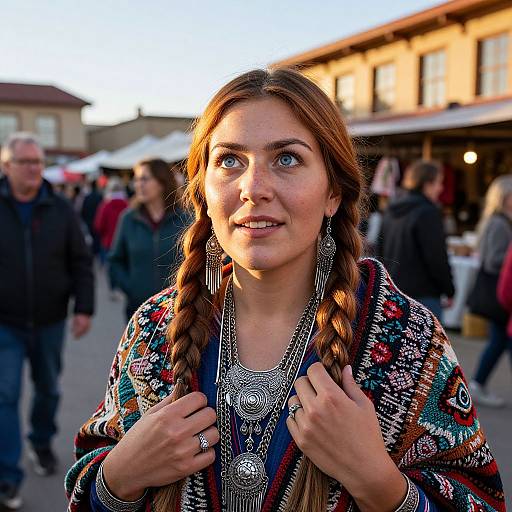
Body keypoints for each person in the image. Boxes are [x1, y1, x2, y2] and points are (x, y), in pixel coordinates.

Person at [65, 70, 504, 512]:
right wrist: (117, 477)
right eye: (230, 161)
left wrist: (379, 482)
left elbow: (480, 500)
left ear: (333, 191)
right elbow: (89, 480)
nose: (254, 189)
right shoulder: (154, 329)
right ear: (203, 190)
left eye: (288, 159)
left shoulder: (407, 337)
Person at [0, 132, 94, 510]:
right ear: (7, 166)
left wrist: (84, 307)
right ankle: (8, 474)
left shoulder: (59, 208)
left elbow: (81, 261)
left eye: (39, 162)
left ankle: (40, 442)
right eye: (26, 162)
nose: (35, 169)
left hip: (51, 320)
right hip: (5, 322)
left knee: (48, 389)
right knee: (4, 395)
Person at [108, 158, 191, 320]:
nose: (138, 184)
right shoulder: (128, 219)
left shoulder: (185, 219)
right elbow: (115, 260)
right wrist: (131, 288)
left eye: (144, 179)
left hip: (178, 312)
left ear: (162, 182)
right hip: (139, 312)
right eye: (136, 179)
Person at [377, 160, 455, 320]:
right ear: (426, 184)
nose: (440, 188)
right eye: (438, 183)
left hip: (393, 294)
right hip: (424, 296)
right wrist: (449, 290)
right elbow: (436, 257)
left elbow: (380, 251)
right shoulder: (427, 212)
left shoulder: (391, 210)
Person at [469, 175, 512, 408]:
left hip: (496, 289)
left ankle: (478, 382)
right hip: (499, 290)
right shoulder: (500, 223)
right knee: (498, 339)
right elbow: (494, 259)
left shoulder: (497, 221)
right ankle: (477, 383)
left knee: (499, 340)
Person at [93, 176, 128, 266]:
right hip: (125, 244)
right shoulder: (128, 205)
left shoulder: (105, 206)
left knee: (111, 273)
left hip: (108, 243)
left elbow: (98, 226)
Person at [81, 180, 104, 258]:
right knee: (97, 241)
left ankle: (93, 255)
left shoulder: (87, 197)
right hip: (96, 222)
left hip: (89, 222)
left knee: (91, 241)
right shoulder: (100, 196)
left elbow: (83, 211)